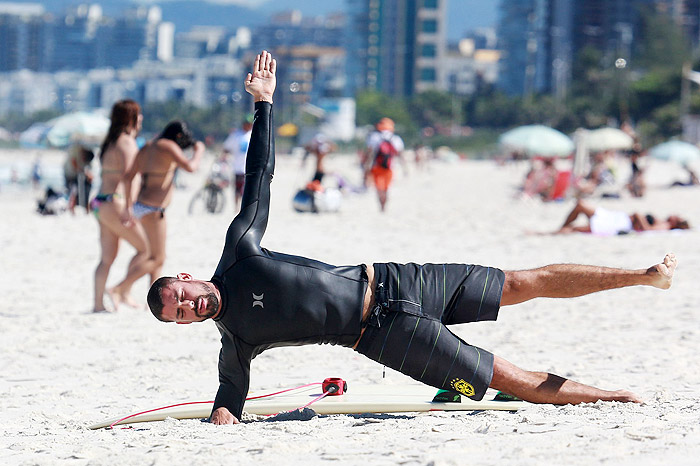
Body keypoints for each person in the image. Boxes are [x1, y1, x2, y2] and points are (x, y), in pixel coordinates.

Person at [145, 51, 681, 426]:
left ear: (187, 279)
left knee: (523, 281)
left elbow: (258, 178)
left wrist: (263, 105)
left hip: (398, 279)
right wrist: (220, 420)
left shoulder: (239, 255)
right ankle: (614, 395)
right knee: (504, 377)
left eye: (182, 297)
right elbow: (230, 396)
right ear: (185, 325)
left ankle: (643, 276)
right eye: (183, 316)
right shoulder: (236, 340)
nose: (191, 307)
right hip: (383, 339)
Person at [110, 120, 205, 307]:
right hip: (154, 209)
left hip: (141, 206)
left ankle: (152, 300)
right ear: (178, 136)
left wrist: (129, 206)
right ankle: (119, 288)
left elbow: (128, 177)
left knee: (152, 256)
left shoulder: (147, 147)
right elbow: (191, 167)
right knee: (157, 258)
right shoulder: (168, 146)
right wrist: (199, 150)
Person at [92, 99, 150, 313]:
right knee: (146, 250)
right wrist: (129, 206)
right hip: (116, 202)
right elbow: (129, 176)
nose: (141, 118)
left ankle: (98, 304)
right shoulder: (126, 142)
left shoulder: (110, 142)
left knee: (107, 258)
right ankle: (122, 290)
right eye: (139, 114)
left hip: (100, 202)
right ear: (131, 118)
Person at [553, 199, 690, 235]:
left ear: (675, 222)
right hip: (618, 217)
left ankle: (554, 233)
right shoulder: (663, 221)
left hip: (620, 224)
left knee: (575, 229)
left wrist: (639, 216)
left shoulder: (665, 226)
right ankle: (560, 228)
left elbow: (648, 230)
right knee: (580, 205)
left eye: (677, 217)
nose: (674, 215)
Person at [364, 117, 404, 212]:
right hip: (390, 167)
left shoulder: (375, 137)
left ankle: (381, 205)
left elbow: (370, 153)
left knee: (378, 187)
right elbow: (400, 154)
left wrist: (367, 166)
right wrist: (404, 168)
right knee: (386, 188)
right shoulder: (395, 138)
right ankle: (384, 205)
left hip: (376, 166)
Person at [222, 115, 253, 212]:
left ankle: (245, 209)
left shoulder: (253, 135)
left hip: (250, 168)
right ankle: (236, 208)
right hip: (238, 167)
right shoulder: (236, 135)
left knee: (247, 190)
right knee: (237, 190)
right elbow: (226, 147)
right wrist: (224, 157)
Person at [64, 144, 95, 213]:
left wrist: (88, 175)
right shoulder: (76, 151)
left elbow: (88, 171)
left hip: (77, 175)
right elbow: (74, 163)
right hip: (70, 175)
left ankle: (86, 208)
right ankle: (72, 208)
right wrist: (83, 171)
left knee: (87, 187)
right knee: (74, 190)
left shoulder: (88, 159)